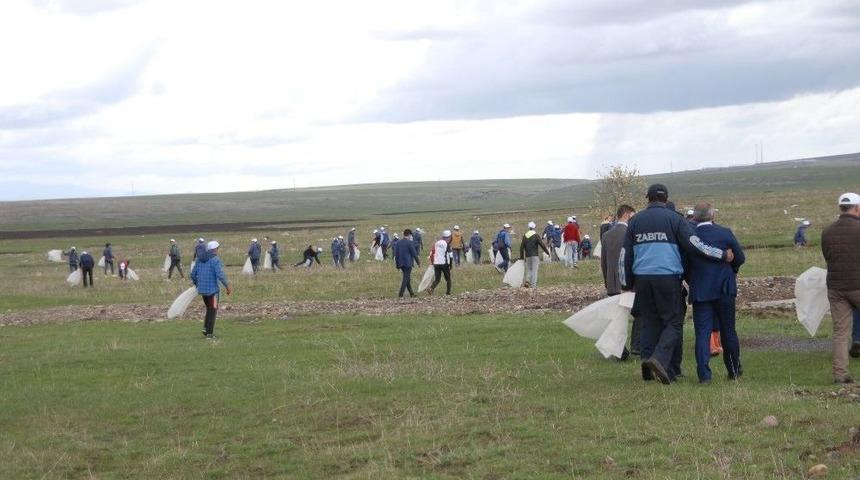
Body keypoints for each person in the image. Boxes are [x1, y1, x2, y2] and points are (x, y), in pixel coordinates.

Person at [621, 184, 735, 384]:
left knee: (649, 322)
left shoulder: (635, 221)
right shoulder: (675, 220)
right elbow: (696, 246)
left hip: (642, 280)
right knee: (673, 322)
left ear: (648, 199)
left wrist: (626, 282)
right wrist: (722, 254)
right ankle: (659, 360)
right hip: (667, 279)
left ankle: (647, 368)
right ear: (666, 199)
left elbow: (625, 255)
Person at [687, 202, 746, 384]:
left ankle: (704, 375)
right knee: (729, 331)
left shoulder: (691, 236)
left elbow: (685, 264)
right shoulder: (725, 233)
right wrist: (731, 270)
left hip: (701, 290)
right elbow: (740, 258)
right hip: (724, 288)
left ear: (695, 217)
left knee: (702, 333)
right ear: (713, 215)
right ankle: (733, 369)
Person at [820, 192, 860, 383]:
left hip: (836, 287)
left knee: (840, 332)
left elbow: (828, 257)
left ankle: (840, 374)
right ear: (857, 208)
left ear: (840, 208)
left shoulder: (827, 231)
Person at [601, 205, 637, 353]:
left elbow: (603, 262)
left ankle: (618, 349)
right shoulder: (631, 233)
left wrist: (607, 281)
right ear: (627, 215)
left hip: (612, 281)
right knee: (638, 315)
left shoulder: (607, 235)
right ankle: (637, 346)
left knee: (616, 318)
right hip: (628, 282)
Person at [190, 240, 232, 339]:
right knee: (213, 310)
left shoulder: (199, 260)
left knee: (209, 309)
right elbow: (220, 275)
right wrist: (227, 286)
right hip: (213, 291)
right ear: (215, 249)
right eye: (217, 249)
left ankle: (205, 329)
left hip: (203, 291)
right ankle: (209, 334)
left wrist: (197, 283)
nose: (218, 250)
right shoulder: (215, 259)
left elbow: (192, 274)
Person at [519, 221, 550, 288]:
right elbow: (542, 244)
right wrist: (547, 252)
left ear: (528, 227)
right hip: (535, 255)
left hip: (527, 256)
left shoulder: (525, 235)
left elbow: (521, 247)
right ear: (534, 227)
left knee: (529, 269)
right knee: (534, 270)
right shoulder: (536, 235)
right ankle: (533, 286)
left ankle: (527, 281)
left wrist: (521, 257)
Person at [394, 228, 420, 297]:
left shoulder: (398, 243)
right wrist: (418, 262)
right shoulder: (409, 243)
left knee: (407, 278)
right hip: (408, 263)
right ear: (408, 235)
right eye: (410, 235)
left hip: (401, 263)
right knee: (406, 278)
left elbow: (396, 254)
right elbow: (414, 253)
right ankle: (400, 294)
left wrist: (397, 265)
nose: (411, 236)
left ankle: (411, 294)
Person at [428, 230, 453, 295]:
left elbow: (432, 252)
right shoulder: (447, 244)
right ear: (449, 237)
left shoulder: (437, 243)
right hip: (444, 263)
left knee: (437, 279)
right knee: (448, 279)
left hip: (436, 263)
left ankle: (431, 288)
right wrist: (451, 264)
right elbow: (450, 255)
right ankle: (448, 293)